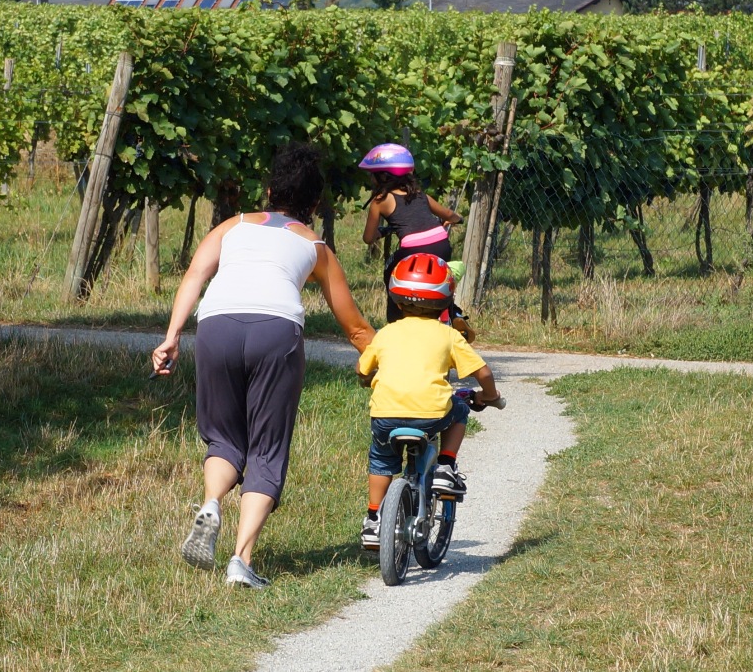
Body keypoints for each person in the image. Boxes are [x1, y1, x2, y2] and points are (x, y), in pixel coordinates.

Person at [151, 143, 375, 589]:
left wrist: (172, 335)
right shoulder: (315, 245)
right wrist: (388, 359)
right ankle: (240, 561)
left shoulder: (230, 226)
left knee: (224, 438)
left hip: (216, 323)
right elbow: (354, 328)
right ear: (313, 205)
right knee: (267, 451)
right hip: (276, 330)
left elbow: (195, 276)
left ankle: (212, 502)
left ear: (269, 190)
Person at [355, 253, 500, 550]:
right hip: (431, 415)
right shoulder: (449, 335)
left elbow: (362, 370)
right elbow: (482, 373)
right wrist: (491, 396)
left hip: (386, 415)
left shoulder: (385, 333)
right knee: (459, 408)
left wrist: (368, 379)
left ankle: (373, 520)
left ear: (396, 299)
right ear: (446, 300)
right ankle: (446, 466)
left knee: (381, 461)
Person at [358, 143, 473, 344]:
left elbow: (368, 237)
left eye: (372, 175)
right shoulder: (420, 194)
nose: (370, 179)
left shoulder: (380, 199)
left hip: (412, 248)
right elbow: (448, 215)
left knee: (392, 274)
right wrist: (456, 220)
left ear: (383, 176)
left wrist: (381, 232)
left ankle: (395, 322)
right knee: (438, 278)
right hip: (441, 243)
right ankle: (452, 313)